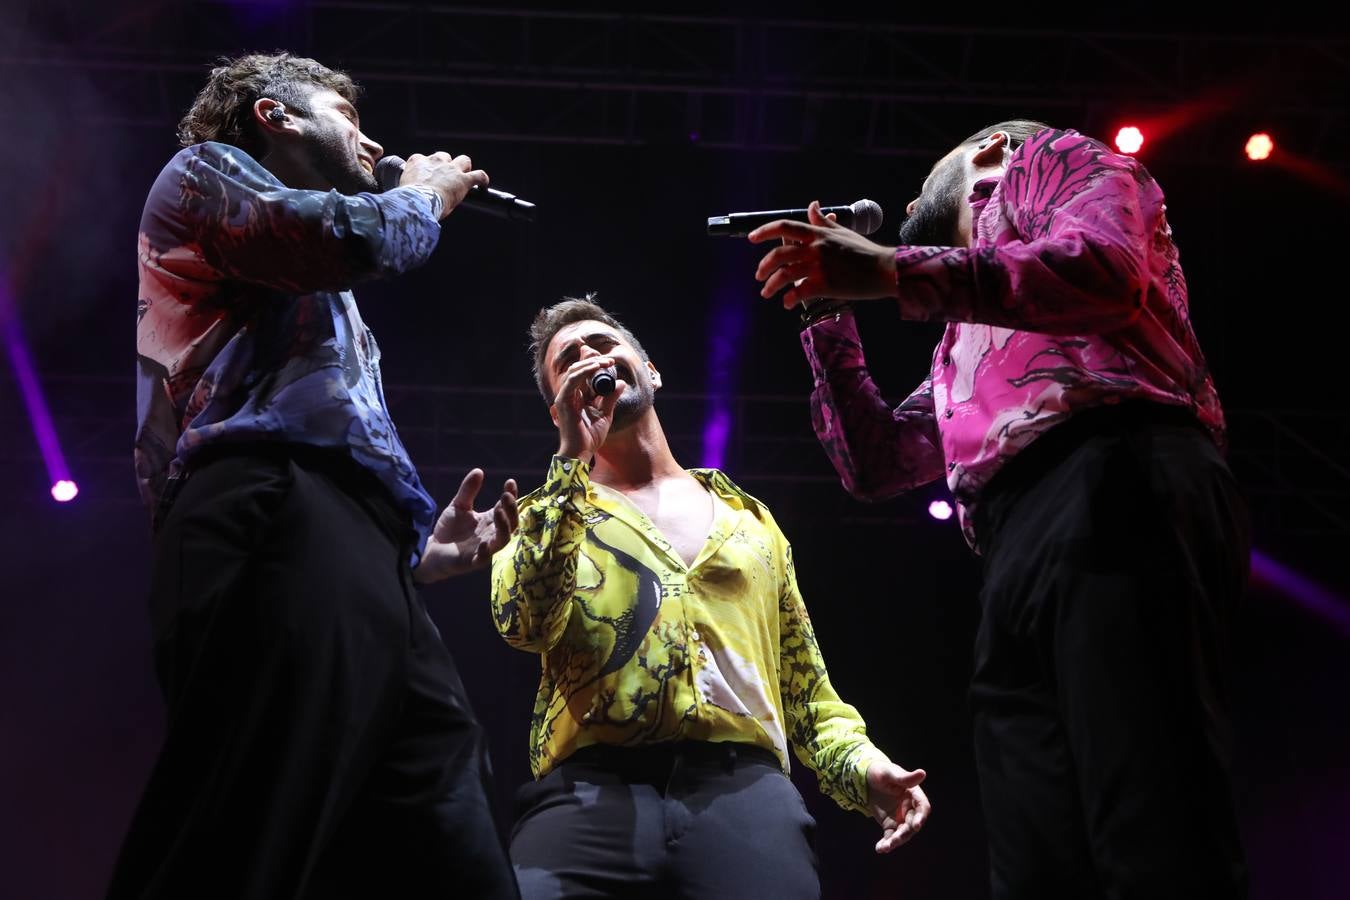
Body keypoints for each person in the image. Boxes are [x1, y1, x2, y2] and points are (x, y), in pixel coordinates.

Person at [748, 121, 1249, 898]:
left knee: (1150, 813)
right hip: (1017, 540)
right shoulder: (963, 336)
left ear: (986, 152)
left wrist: (887, 270)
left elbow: (1108, 272)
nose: (913, 199)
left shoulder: (1053, 160)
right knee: (1035, 849)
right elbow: (878, 462)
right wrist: (826, 314)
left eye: (927, 179)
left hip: (1118, 475)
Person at [112, 52, 520, 899]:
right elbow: (354, 235)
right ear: (276, 115)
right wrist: (427, 195)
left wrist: (412, 555)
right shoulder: (203, 177)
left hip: (352, 547)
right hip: (262, 506)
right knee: (246, 821)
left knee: (446, 820)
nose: (371, 141)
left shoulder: (311, 283)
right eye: (349, 114)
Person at [490, 296, 931, 900]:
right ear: (557, 408)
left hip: (745, 798)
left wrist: (862, 767)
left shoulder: (749, 522)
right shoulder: (542, 515)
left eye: (603, 342)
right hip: (585, 797)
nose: (591, 355)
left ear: (652, 371)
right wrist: (570, 460)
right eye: (569, 357)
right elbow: (524, 623)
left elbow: (803, 691)